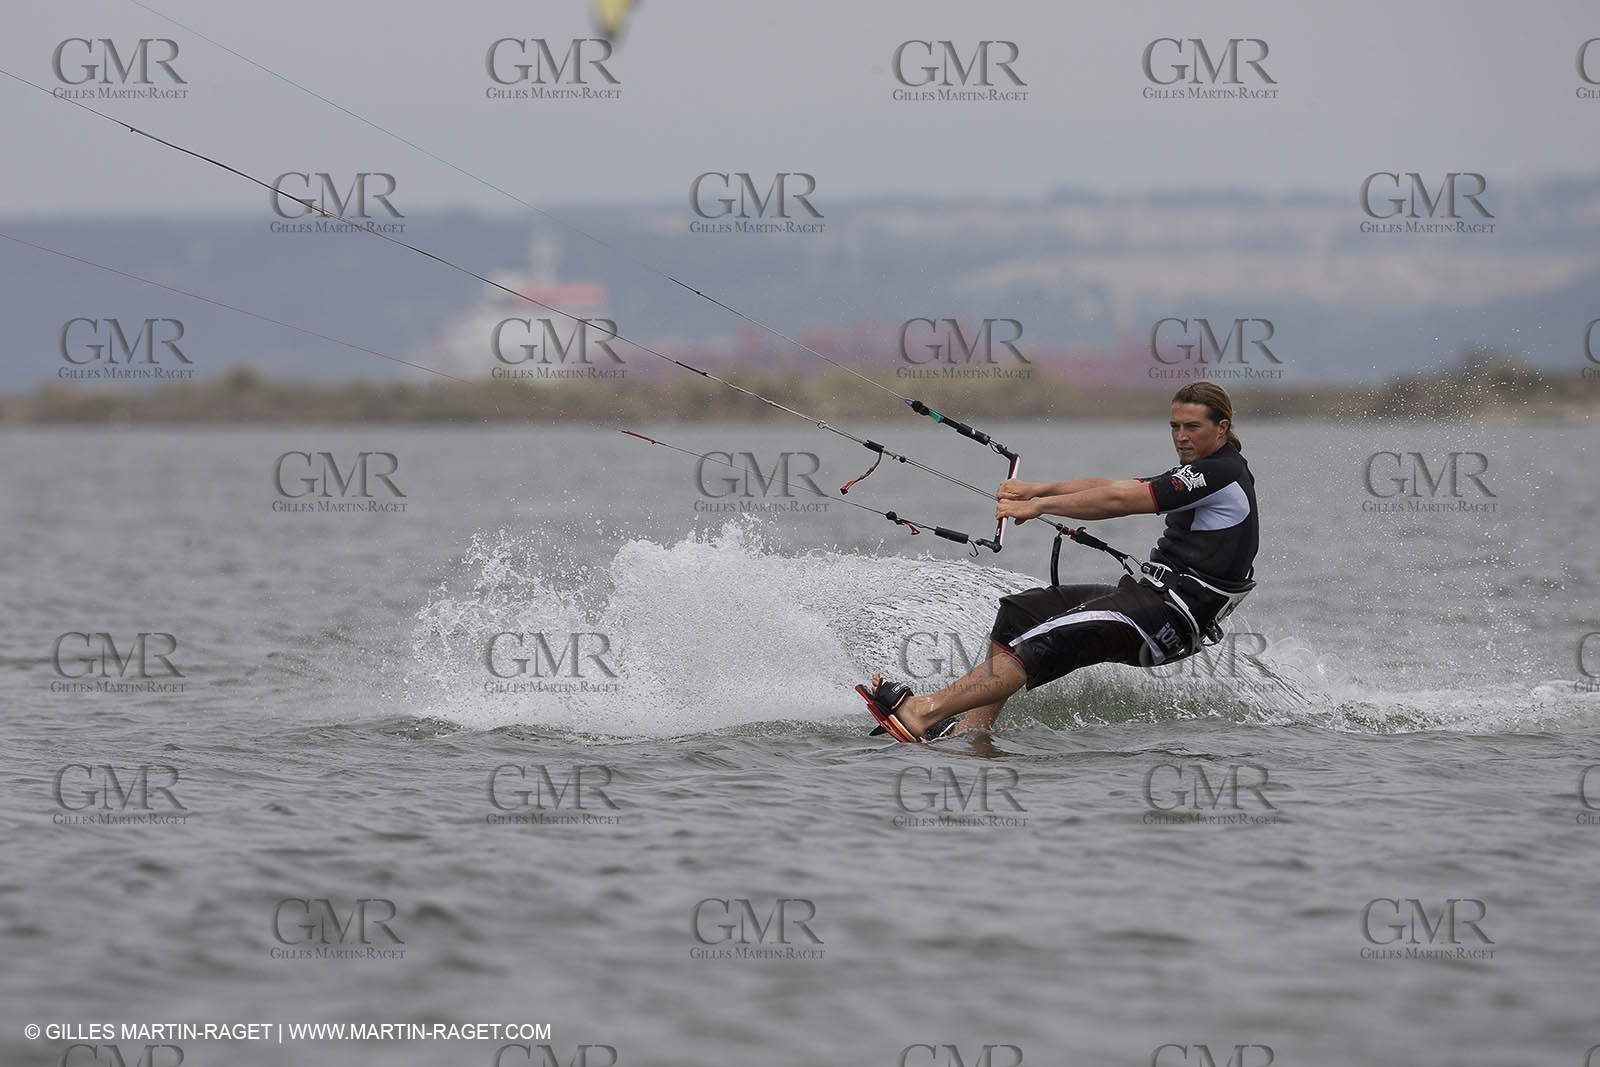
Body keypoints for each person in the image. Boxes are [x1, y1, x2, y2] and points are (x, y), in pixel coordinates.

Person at [857, 382, 1260, 743]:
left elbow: (1121, 502)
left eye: (1193, 427)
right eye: (1175, 426)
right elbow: (1120, 487)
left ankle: (922, 712)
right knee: (1021, 613)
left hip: (1169, 620)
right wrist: (1039, 487)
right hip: (1149, 598)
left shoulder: (1220, 473)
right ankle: (972, 733)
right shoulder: (1201, 471)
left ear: (1222, 428)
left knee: (1042, 640)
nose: (1181, 437)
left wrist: (1040, 506)